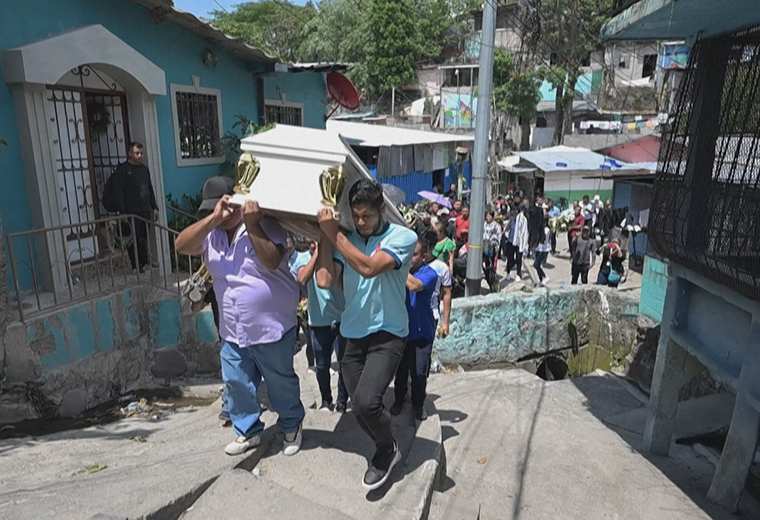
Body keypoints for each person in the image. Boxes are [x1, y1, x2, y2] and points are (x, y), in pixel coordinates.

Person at [175, 179, 304, 457]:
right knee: (237, 384)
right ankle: (247, 431)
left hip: (271, 327)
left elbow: (272, 259)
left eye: (226, 205)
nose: (224, 213)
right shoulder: (212, 233)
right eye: (214, 208)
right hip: (232, 329)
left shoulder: (265, 223)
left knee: (280, 382)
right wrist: (212, 220)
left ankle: (292, 425)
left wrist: (252, 223)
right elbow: (181, 244)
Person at [315, 179, 417, 491]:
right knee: (360, 408)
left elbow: (370, 267)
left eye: (367, 216)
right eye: (355, 216)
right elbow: (323, 280)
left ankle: (387, 450)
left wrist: (335, 236)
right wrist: (324, 236)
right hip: (351, 335)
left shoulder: (403, 237)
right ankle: (387, 442)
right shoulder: (345, 239)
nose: (360, 222)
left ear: (381, 210)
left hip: (388, 334)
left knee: (366, 403)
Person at [293, 241, 349, 412]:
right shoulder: (303, 258)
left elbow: (341, 283)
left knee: (343, 363)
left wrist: (327, 252)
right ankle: (326, 400)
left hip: (342, 318)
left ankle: (341, 401)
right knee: (322, 365)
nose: (313, 242)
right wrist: (317, 253)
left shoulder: (339, 254)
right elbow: (302, 278)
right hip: (318, 321)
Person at [391, 239, 438, 421]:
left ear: (424, 256)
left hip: (422, 333)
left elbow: (415, 285)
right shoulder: (401, 272)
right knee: (400, 371)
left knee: (419, 373)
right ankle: (399, 400)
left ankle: (418, 404)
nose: (410, 258)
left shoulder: (430, 273)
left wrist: (397, 267)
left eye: (415, 254)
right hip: (402, 331)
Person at [112, 142, 159, 273]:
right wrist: (122, 212)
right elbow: (118, 192)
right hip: (131, 212)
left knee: (143, 238)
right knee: (133, 239)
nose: (140, 156)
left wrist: (154, 207)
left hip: (145, 209)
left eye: (141, 153)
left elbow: (149, 188)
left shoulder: (144, 170)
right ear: (130, 154)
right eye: (137, 153)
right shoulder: (122, 170)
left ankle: (144, 262)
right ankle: (135, 265)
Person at [289, 235, 315, 372]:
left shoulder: (301, 258)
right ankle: (311, 364)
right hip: (301, 303)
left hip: (308, 300)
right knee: (310, 336)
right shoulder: (297, 258)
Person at [424, 232, 452, 338]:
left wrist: (445, 322)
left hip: (432, 315)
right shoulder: (412, 265)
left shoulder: (441, 267)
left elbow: (447, 294)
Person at [505, 207, 528, 282]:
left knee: (519, 259)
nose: (514, 212)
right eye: (513, 211)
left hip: (518, 243)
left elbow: (524, 231)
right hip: (510, 241)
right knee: (510, 258)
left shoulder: (522, 220)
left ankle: (518, 274)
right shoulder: (512, 220)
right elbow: (507, 229)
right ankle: (508, 272)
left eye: (515, 211)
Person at [534, 213, 552, 287]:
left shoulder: (546, 230)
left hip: (543, 249)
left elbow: (543, 238)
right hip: (538, 248)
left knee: (536, 264)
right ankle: (541, 280)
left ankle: (545, 277)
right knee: (537, 265)